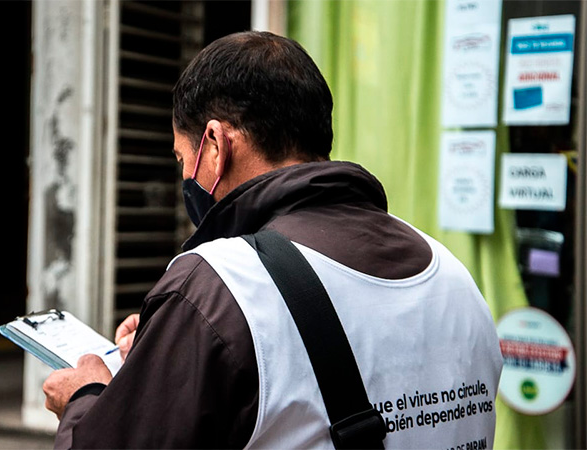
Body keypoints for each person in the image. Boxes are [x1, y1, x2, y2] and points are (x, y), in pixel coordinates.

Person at [43, 31, 503, 449]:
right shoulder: (453, 274)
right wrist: (173, 344)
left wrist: (85, 398)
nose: (185, 175)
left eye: (184, 157)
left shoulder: (215, 285)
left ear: (216, 143)